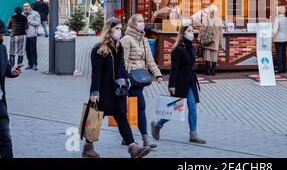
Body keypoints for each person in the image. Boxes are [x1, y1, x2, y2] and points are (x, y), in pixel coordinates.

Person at [83, 18, 150, 158]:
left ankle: (133, 147)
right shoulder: (99, 49)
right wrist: (94, 91)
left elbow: (122, 67)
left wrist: (126, 80)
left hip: (117, 90)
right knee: (96, 118)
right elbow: (96, 73)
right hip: (103, 91)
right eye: (117, 29)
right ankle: (88, 147)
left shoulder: (119, 47)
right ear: (109, 30)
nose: (120, 31)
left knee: (122, 118)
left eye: (120, 28)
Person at [151, 25, 206, 144]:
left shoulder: (191, 47)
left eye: (192, 31)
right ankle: (158, 124)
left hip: (190, 80)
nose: (192, 33)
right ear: (183, 33)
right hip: (180, 81)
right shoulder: (177, 49)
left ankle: (193, 134)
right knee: (176, 109)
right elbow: (174, 69)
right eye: (189, 31)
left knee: (193, 107)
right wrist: (172, 85)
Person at [121, 14, 163, 148]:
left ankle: (126, 137)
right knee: (140, 106)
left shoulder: (144, 40)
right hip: (131, 79)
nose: (142, 23)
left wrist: (157, 74)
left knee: (130, 108)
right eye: (139, 21)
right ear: (132, 24)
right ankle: (145, 139)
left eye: (143, 21)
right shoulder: (126, 40)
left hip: (141, 78)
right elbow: (123, 61)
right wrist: (125, 78)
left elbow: (149, 60)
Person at [0, 19, 22, 158]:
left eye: (2, 34)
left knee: (6, 139)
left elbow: (6, 68)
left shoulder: (2, 48)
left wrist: (12, 71)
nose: (2, 37)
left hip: (0, 102)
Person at [202, 10, 223, 76]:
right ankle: (213, 71)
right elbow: (220, 32)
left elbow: (202, 29)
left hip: (207, 40)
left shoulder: (205, 19)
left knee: (207, 55)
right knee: (214, 56)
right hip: (215, 40)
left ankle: (207, 71)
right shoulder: (219, 20)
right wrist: (220, 42)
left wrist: (200, 38)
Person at [272, 6, 287, 74]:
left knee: (279, 53)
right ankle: (284, 68)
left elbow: (274, 31)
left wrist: (271, 35)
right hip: (286, 38)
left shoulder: (277, 19)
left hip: (279, 39)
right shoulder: (286, 19)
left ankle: (279, 69)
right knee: (284, 53)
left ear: (278, 11)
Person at [22, 3, 40, 70]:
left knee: (33, 50)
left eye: (27, 6)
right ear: (23, 8)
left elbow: (37, 23)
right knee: (27, 50)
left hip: (32, 34)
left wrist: (28, 21)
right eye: (25, 6)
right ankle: (30, 63)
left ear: (30, 7)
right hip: (24, 35)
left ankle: (35, 64)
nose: (26, 7)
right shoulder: (22, 14)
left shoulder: (35, 13)